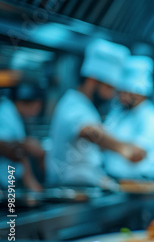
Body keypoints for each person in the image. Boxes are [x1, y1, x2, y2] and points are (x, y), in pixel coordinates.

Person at [46, 39, 145, 188]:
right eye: (109, 88)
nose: (111, 95)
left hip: (84, 190)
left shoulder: (87, 107)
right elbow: (88, 131)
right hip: (65, 191)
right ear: (93, 80)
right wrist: (124, 148)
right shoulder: (73, 104)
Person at [103, 56, 154, 179]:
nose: (121, 96)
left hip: (143, 186)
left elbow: (136, 155)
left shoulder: (153, 117)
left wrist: (102, 140)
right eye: (120, 91)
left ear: (139, 91)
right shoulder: (118, 114)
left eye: (125, 92)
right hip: (114, 181)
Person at [0, 83, 45, 191]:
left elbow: (20, 154)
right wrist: (26, 145)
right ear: (37, 104)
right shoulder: (5, 112)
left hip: (10, 182)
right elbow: (4, 145)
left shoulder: (14, 114)